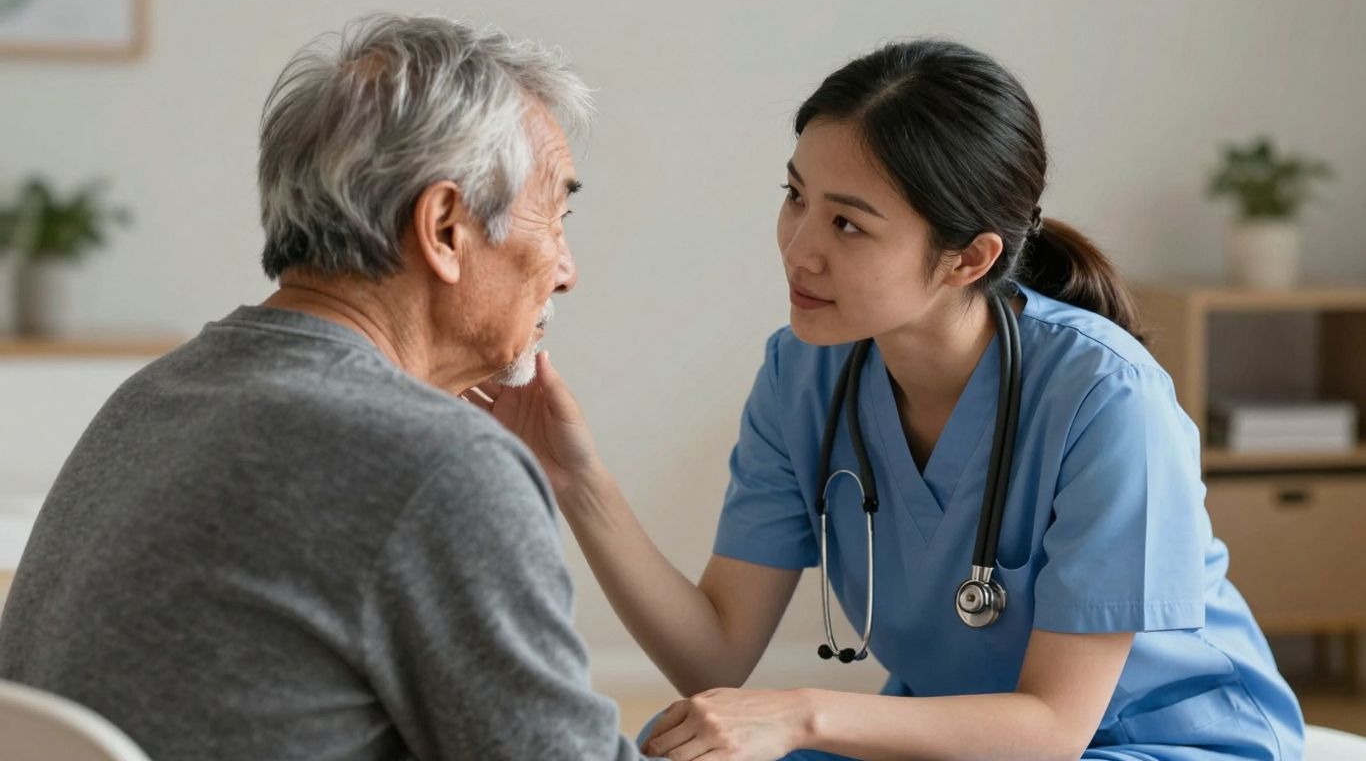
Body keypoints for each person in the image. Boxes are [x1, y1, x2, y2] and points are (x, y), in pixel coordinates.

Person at [476, 40, 1304, 760]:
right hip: (953, 744)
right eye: (796, 195)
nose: (798, 248)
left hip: (1159, 743)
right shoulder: (805, 375)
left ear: (968, 259)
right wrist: (575, 478)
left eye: (848, 225)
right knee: (686, 745)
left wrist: (802, 713)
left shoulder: (1107, 400)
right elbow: (715, 658)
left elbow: (1055, 727)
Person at [0, 14, 657, 761]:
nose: (568, 271)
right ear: (445, 227)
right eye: (558, 217)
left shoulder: (154, 395)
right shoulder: (440, 466)